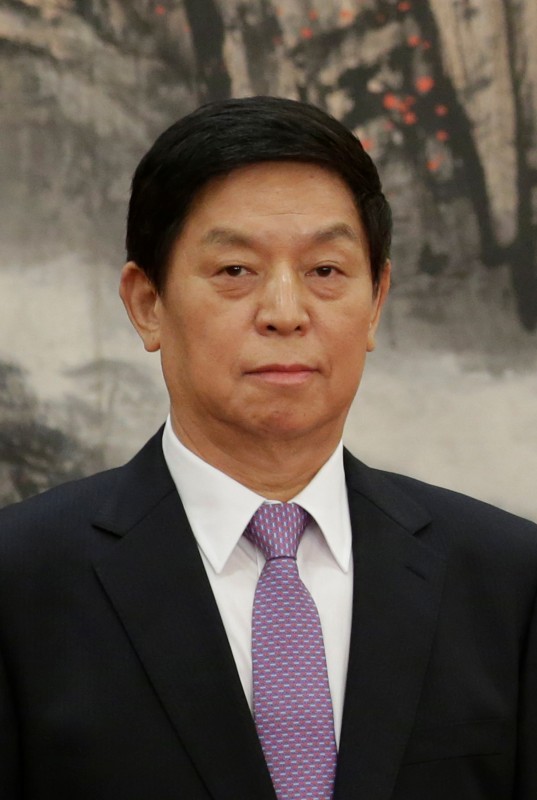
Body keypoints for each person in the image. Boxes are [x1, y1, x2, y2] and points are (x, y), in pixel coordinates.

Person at [0, 96, 536, 800]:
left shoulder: (509, 580)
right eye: (235, 271)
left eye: (325, 271)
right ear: (147, 303)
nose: (285, 313)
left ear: (375, 302)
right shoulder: (19, 582)